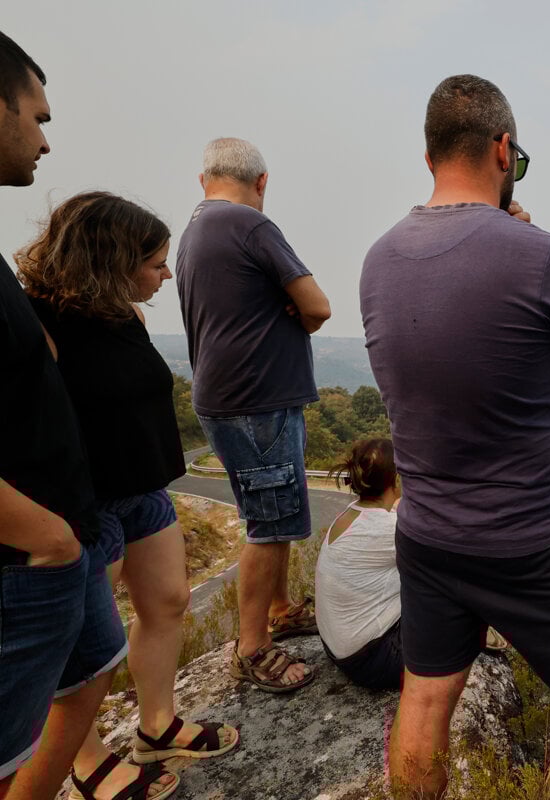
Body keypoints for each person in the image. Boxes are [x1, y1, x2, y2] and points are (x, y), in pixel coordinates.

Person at [360, 74, 550, 799]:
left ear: (429, 156)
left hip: (429, 533)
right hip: (538, 537)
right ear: (503, 149)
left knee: (426, 700)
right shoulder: (546, 257)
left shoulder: (378, 259)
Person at [19, 192, 240, 799]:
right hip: (86, 506)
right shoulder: (39, 322)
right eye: (157, 262)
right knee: (85, 653)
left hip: (145, 492)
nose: (166, 273)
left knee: (168, 602)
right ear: (113, 259)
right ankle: (84, 760)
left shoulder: (128, 315)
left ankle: (157, 723)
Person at [0, 32, 134, 800]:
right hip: (29, 553)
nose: (47, 139)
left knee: (88, 677)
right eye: (37, 115)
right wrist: (42, 538)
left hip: (65, 533)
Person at [176, 137, 331, 693]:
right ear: (262, 183)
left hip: (225, 396)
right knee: (271, 525)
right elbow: (317, 307)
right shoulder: (251, 226)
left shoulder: (195, 229)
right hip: (257, 399)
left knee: (274, 514)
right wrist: (290, 307)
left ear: (204, 180)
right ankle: (253, 647)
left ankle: (283, 608)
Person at [316, 439, 404, 690]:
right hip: (375, 661)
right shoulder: (387, 529)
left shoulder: (351, 515)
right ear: (396, 480)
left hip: (342, 650)